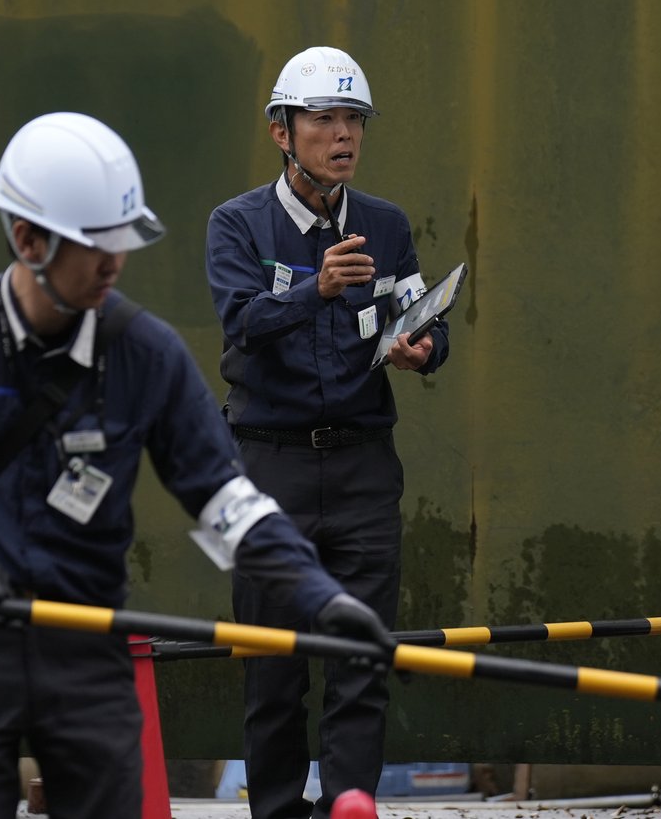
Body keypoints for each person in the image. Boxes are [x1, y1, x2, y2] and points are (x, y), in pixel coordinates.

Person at [0, 112, 391, 819]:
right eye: (94, 246)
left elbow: (223, 499)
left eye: (121, 241)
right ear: (27, 239)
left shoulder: (145, 354)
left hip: (88, 654)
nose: (114, 263)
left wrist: (318, 597)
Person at [206, 46, 450, 818]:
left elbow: (425, 318)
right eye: (323, 119)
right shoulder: (237, 224)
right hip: (267, 468)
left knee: (360, 658)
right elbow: (240, 324)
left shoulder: (385, 224)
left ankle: (350, 804)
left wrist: (425, 349)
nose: (342, 134)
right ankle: (277, 810)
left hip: (362, 470)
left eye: (353, 120)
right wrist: (316, 288)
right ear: (282, 131)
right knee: (272, 664)